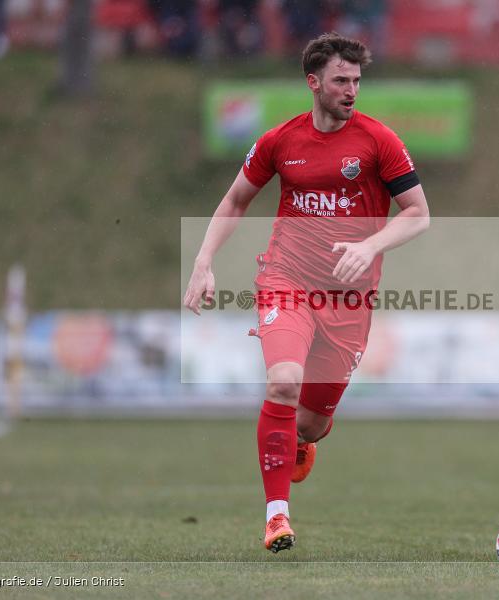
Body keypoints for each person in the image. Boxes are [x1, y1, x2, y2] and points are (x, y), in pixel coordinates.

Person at [182, 32, 430, 553]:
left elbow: (418, 215)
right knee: (284, 383)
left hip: (348, 299)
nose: (351, 90)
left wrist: (372, 245)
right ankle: (276, 517)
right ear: (313, 83)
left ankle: (298, 441)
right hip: (286, 280)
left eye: (357, 80)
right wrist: (203, 262)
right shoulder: (279, 141)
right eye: (341, 80)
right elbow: (234, 202)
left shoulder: (378, 140)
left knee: (313, 424)